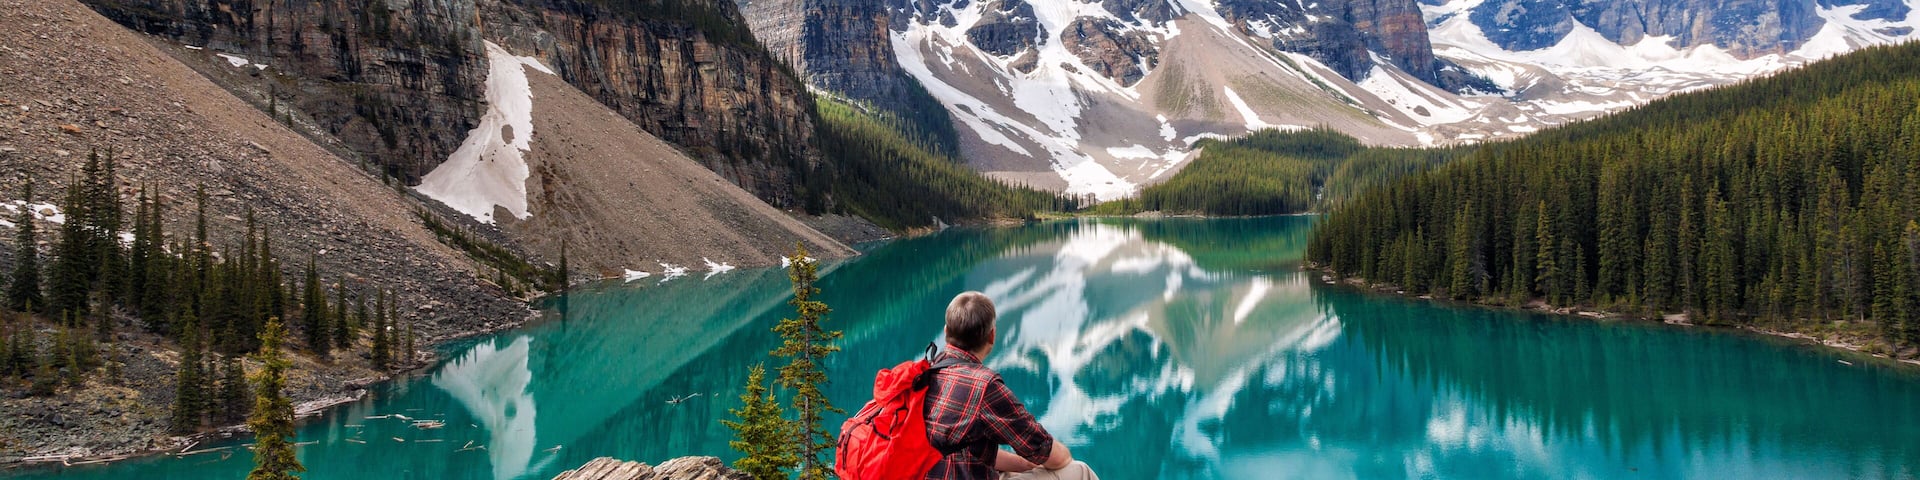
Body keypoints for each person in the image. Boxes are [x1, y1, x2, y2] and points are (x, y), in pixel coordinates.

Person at [924, 292, 1100, 480]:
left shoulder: (925, 373)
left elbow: (959, 448)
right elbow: (1049, 453)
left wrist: (1024, 465)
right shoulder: (984, 386)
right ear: (991, 336)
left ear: (946, 331)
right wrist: (1058, 458)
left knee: (1014, 472)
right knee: (1079, 471)